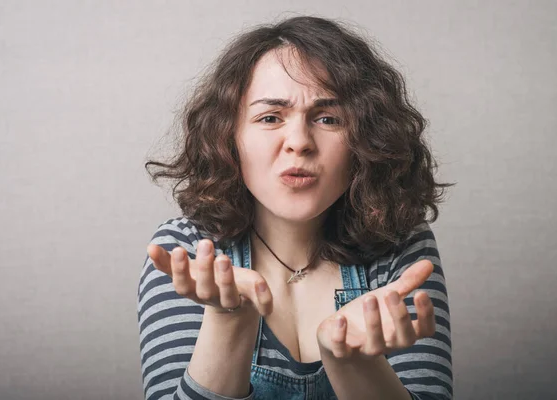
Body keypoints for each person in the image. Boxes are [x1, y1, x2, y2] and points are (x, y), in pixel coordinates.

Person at [137, 15, 454, 400]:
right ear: (229, 138)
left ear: (364, 139)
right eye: (270, 117)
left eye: (327, 118)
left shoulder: (401, 247)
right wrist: (229, 321)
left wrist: (354, 362)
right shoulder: (186, 252)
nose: (299, 142)